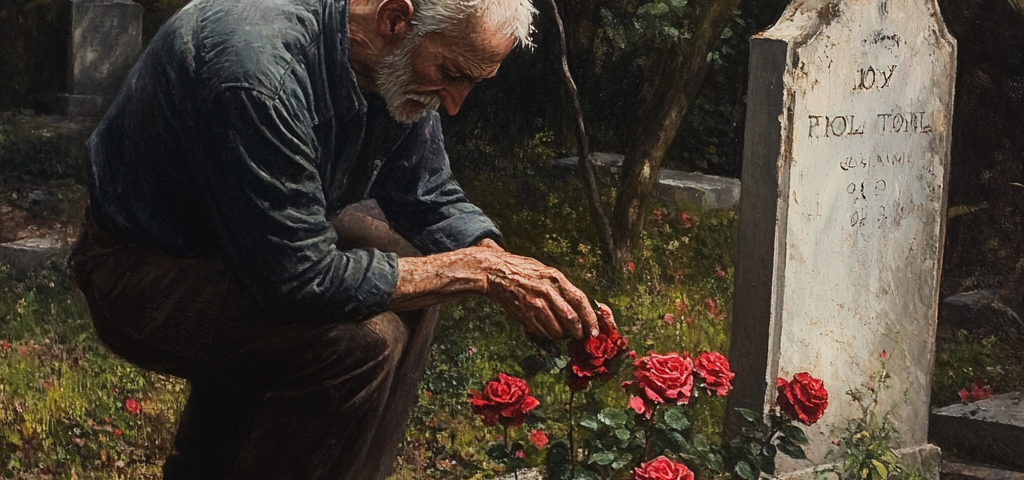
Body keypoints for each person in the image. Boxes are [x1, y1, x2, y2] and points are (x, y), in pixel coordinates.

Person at [68, 0, 610, 478]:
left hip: (249, 248)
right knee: (363, 342)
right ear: (396, 18)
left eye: (471, 81)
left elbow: (426, 192)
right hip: (143, 266)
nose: (454, 104)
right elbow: (300, 280)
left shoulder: (395, 57)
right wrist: (480, 274)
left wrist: (507, 269)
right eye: (451, 74)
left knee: (423, 264)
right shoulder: (257, 73)